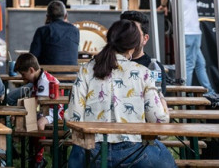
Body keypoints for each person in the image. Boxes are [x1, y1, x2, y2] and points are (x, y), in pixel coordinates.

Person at [66, 20, 173, 168]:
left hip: (91, 153)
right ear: (134, 47)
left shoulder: (86, 69)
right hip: (134, 153)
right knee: (167, 160)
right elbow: (159, 123)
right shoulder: (144, 73)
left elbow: (73, 116)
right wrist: (164, 107)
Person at [161, 0, 214, 93]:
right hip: (191, 31)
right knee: (189, 65)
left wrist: (164, 6)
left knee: (200, 64)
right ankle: (186, 96)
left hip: (186, 31)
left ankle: (210, 92)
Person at [5, 52, 62, 168]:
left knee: (38, 124)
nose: (22, 78)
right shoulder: (38, 79)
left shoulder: (44, 82)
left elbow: (35, 103)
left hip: (56, 111)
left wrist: (21, 114)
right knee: (30, 122)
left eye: (23, 74)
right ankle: (35, 154)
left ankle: (39, 159)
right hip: (46, 110)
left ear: (31, 70)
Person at [30, 0, 80, 66]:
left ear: (47, 17)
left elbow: (32, 57)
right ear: (65, 16)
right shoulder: (75, 30)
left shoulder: (42, 30)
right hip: (72, 73)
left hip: (48, 74)